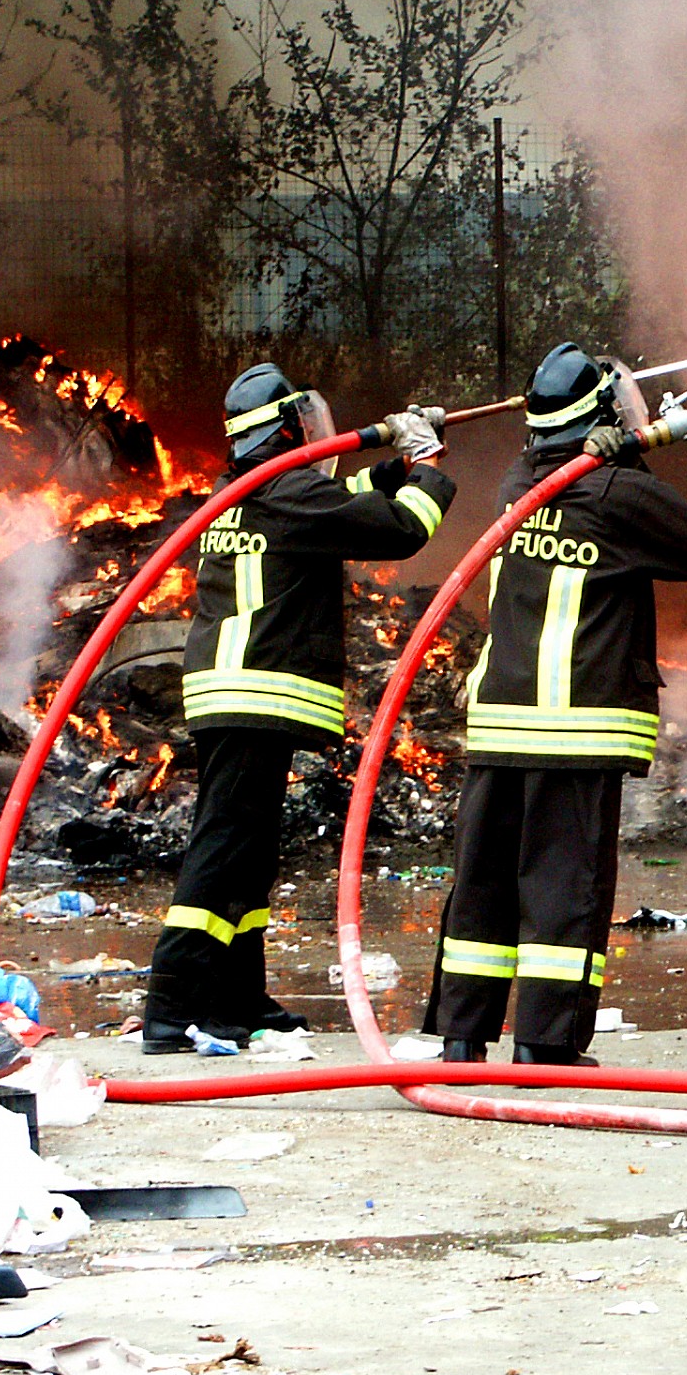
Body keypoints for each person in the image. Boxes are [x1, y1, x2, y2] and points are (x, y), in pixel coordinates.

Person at [424, 342, 687, 1064]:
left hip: (501, 724)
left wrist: (630, 453)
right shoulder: (616, 495)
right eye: (631, 399)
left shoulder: (520, 482)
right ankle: (546, 1046)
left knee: (482, 885)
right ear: (606, 415)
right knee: (562, 890)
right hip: (573, 730)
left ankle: (463, 1038)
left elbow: (593, 499)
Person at [142, 364, 457, 1053]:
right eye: (307, 423)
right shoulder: (284, 491)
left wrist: (396, 456)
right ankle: (172, 1004)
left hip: (233, 692)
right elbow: (400, 530)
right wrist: (427, 466)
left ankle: (235, 997)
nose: (319, 432)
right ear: (287, 428)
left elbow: (340, 497)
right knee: (222, 851)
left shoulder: (252, 490)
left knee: (246, 857)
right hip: (253, 692)